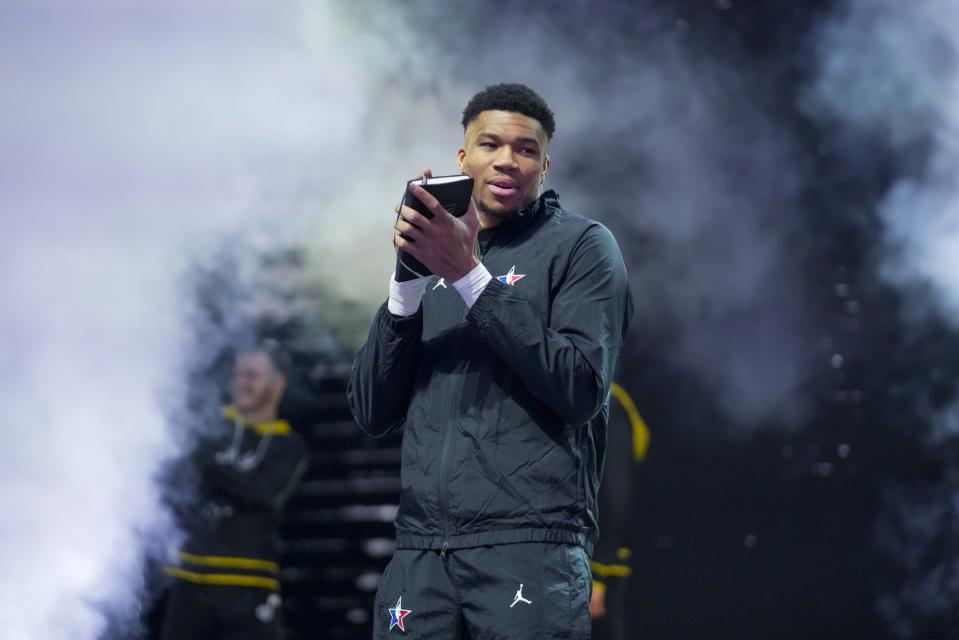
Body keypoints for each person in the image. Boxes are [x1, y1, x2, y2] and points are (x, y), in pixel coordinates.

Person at [348, 83, 633, 639]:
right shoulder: (433, 259)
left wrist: (470, 277)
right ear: (463, 158)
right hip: (420, 554)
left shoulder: (583, 248)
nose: (507, 159)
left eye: (526, 149)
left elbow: (580, 390)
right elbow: (371, 411)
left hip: (529, 548)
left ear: (545, 166)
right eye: (490, 144)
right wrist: (406, 285)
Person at [160, 340, 309, 640]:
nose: (241, 382)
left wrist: (205, 465)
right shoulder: (205, 426)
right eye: (237, 375)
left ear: (277, 385)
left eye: (251, 375)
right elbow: (170, 479)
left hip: (249, 583)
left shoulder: (289, 445)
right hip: (188, 580)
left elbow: (263, 492)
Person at [589, 382, 650, 640]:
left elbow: (615, 494)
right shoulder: (611, 399)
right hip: (602, 556)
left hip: (599, 565)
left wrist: (597, 577)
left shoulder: (608, 402)